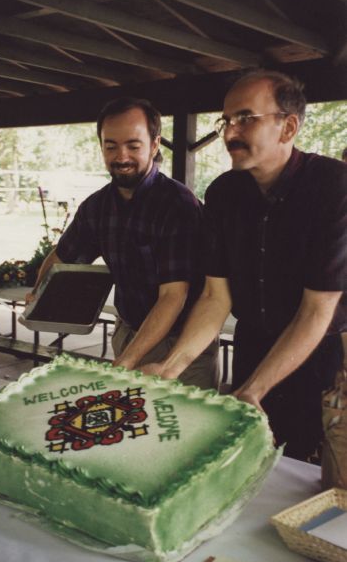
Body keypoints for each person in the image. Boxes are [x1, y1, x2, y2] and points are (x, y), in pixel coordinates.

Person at [141, 70, 346, 461]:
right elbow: (215, 296)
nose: (230, 132)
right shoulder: (223, 193)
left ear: (288, 127)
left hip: (317, 357)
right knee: (249, 465)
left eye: (246, 118)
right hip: (251, 346)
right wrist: (170, 366)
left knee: (303, 475)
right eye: (226, 120)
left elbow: (316, 310)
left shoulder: (334, 188)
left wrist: (255, 389)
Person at [26, 96, 219, 390]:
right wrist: (38, 293)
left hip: (181, 344)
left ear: (155, 145)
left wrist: (127, 361)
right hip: (128, 331)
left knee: (180, 430)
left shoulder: (177, 205)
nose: (121, 156)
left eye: (133, 145)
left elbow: (173, 297)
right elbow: (62, 257)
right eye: (111, 146)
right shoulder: (97, 205)